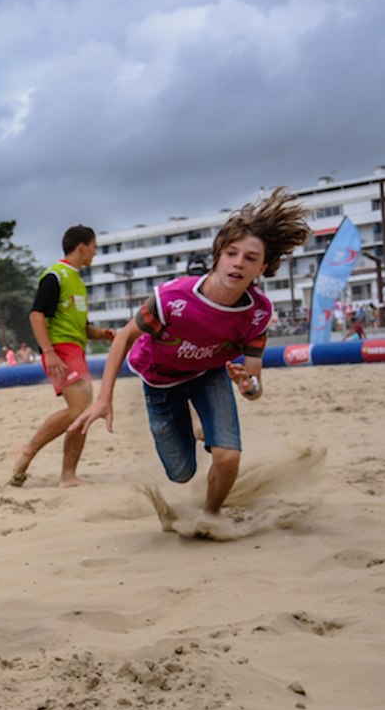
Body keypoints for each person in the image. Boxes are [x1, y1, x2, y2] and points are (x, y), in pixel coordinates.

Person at [71, 187, 310, 519]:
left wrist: (247, 386)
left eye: (250, 258)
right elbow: (124, 337)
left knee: (227, 458)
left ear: (262, 268)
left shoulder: (258, 312)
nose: (239, 263)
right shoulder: (173, 298)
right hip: (160, 381)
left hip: (208, 376)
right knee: (181, 472)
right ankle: (198, 423)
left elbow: (255, 385)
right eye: (232, 253)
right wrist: (103, 398)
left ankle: (211, 515)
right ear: (217, 257)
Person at [9, 225, 115, 488]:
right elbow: (36, 315)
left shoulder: (78, 281)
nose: (94, 253)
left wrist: (102, 334)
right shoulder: (55, 276)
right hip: (60, 349)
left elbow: (82, 327)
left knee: (83, 410)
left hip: (75, 349)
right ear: (82, 246)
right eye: (94, 247)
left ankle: (68, 475)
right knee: (80, 409)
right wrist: (49, 352)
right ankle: (28, 450)